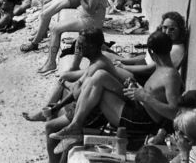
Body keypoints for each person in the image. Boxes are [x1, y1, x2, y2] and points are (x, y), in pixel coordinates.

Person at [50, 30, 183, 142]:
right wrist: (136, 88)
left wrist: (146, 97)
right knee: (100, 75)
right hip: (140, 106)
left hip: (144, 121)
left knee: (98, 81)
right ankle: (75, 124)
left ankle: (75, 124)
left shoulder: (170, 76)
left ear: (151, 52)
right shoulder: (160, 68)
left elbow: (174, 113)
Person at [27, 29, 119, 162]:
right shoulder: (96, 61)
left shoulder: (99, 65)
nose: (77, 47)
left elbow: (77, 93)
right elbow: (78, 89)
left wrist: (64, 97)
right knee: (57, 108)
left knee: (50, 126)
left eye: (81, 44)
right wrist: (57, 106)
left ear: (92, 46)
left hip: (96, 113)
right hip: (90, 105)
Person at [109, 11, 187, 82]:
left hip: (142, 77)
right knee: (107, 56)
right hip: (138, 68)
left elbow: (150, 69)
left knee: (107, 69)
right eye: (165, 27)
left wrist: (123, 67)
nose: (167, 32)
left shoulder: (175, 49)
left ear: (180, 30)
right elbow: (146, 57)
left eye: (172, 29)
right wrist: (123, 61)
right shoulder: (165, 43)